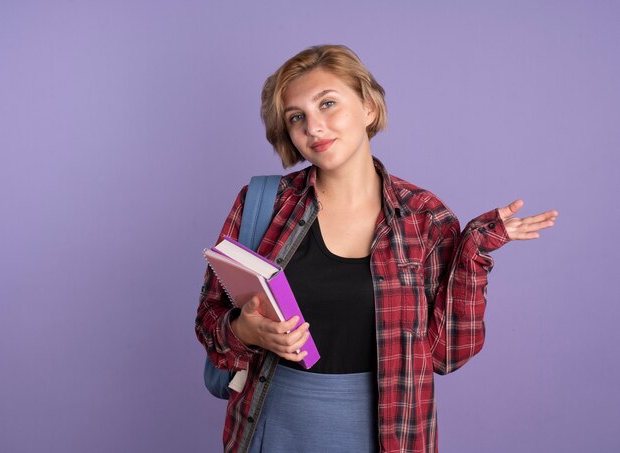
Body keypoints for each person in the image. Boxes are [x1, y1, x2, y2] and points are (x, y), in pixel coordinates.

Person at [196, 44, 557, 453]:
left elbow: (446, 355)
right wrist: (244, 329)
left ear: (368, 107)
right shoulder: (262, 203)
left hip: (390, 432)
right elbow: (209, 317)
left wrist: (473, 250)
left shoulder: (426, 218)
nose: (314, 128)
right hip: (270, 426)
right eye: (297, 117)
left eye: (327, 103)